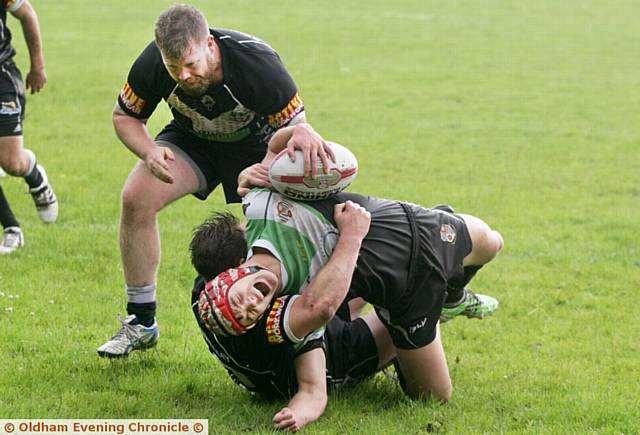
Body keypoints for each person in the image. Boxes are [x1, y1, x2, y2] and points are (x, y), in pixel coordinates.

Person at [191, 126, 504, 430]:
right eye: (247, 315)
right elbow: (320, 316)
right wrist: (352, 235)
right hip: (394, 282)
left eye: (239, 300)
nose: (251, 304)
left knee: (491, 243)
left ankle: (447, 296)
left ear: (232, 272)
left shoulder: (253, 218)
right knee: (433, 395)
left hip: (400, 228)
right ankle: (415, 308)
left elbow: (274, 151)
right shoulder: (283, 311)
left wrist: (299, 132)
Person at [97, 4, 333, 357]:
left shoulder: (257, 64)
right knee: (136, 197)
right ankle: (141, 322)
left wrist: (268, 168)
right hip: (192, 141)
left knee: (269, 237)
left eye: (191, 65)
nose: (183, 76)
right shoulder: (153, 63)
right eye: (173, 68)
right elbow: (124, 116)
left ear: (209, 44)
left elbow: (296, 131)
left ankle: (293, 332)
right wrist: (148, 151)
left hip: (259, 147)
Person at [190, 212, 396, 432]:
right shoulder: (269, 318)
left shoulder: (206, 294)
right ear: (240, 264)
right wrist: (352, 235)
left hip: (269, 372)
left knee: (368, 269)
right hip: (332, 358)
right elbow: (318, 310)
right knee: (404, 307)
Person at [0, 0, 58, 255]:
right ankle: (12, 229)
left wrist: (38, 66)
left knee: (12, 163)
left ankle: (34, 174)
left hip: (2, 77)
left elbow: (27, 15)